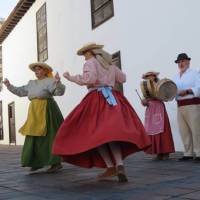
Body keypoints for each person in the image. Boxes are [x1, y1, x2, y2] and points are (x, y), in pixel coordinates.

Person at [52, 43, 151, 182]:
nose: (84, 58)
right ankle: (119, 165)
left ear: (90, 52)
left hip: (96, 99)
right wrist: (111, 71)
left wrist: (70, 77)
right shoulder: (110, 65)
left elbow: (90, 79)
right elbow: (123, 78)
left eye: (84, 54)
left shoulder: (90, 63)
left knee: (95, 134)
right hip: (113, 98)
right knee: (110, 134)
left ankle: (111, 166)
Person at [3, 62, 65, 172]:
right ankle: (36, 162)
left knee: (50, 136)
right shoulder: (31, 83)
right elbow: (20, 91)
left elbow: (59, 92)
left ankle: (55, 163)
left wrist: (58, 83)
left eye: (39, 69)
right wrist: (8, 85)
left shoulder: (50, 81)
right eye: (35, 70)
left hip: (47, 110)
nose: (36, 72)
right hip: (34, 111)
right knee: (33, 136)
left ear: (45, 71)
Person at [141, 71, 175, 160]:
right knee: (152, 130)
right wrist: (144, 102)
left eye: (150, 76)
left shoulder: (160, 84)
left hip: (159, 108)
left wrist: (157, 96)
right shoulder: (145, 87)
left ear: (154, 76)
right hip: (150, 109)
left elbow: (165, 97)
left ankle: (165, 152)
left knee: (162, 129)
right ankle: (158, 153)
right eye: (147, 77)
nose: (149, 78)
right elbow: (145, 99)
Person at [173, 53, 200, 162]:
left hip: (193, 104)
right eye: (179, 62)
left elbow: (199, 87)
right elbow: (171, 90)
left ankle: (199, 153)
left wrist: (188, 91)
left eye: (183, 61)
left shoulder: (195, 73)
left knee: (196, 129)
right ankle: (188, 153)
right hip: (180, 106)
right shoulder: (175, 77)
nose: (181, 63)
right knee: (184, 130)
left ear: (188, 61)